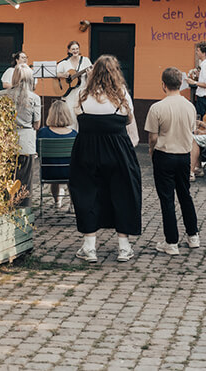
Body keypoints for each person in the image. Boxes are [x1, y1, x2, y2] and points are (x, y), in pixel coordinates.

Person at [70, 55, 142, 263]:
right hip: (118, 148)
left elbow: (77, 118)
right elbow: (128, 119)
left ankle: (90, 246)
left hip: (87, 148)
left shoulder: (82, 95)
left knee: (86, 192)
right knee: (124, 192)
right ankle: (123, 246)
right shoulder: (122, 96)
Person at [146, 67, 200, 255]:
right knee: (185, 195)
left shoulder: (157, 108)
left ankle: (171, 242)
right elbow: (192, 132)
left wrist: (151, 151)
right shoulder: (190, 107)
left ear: (163, 84)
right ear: (181, 84)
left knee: (167, 199)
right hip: (184, 155)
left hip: (164, 154)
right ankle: (193, 235)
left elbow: (152, 137)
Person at [0, 64, 41, 208]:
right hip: (26, 141)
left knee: (7, 178)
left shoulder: (1, 95)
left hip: (7, 140)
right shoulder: (35, 98)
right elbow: (37, 124)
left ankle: (6, 208)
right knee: (26, 181)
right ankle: (23, 212)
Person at [36, 100, 76, 208]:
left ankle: (57, 201)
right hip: (69, 173)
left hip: (49, 172)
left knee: (55, 167)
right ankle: (73, 204)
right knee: (71, 174)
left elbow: (38, 153)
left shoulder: (43, 133)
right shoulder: (74, 135)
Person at [56, 41, 92, 129]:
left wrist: (90, 74)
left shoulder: (85, 60)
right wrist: (64, 75)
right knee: (71, 116)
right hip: (70, 93)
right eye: (73, 49)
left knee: (82, 116)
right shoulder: (64, 63)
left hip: (82, 91)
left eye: (77, 49)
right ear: (68, 50)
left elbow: (92, 74)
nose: (75, 51)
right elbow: (55, 74)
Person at [186, 41, 206, 118]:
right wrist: (199, 76)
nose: (196, 52)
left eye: (198, 51)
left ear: (203, 53)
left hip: (205, 98)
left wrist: (194, 82)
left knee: (203, 119)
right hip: (205, 97)